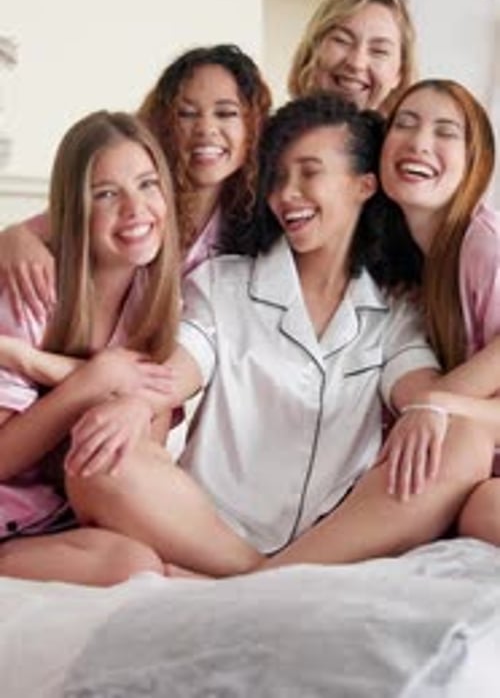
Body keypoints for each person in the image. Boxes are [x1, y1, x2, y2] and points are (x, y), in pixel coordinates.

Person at [58, 95, 491, 572]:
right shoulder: (223, 282)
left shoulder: (394, 309)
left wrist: (437, 408)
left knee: (464, 443)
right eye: (279, 178)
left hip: (337, 534)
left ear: (364, 185)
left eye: (309, 172)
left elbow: (421, 392)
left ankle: (256, 579)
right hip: (208, 527)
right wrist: (137, 404)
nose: (287, 194)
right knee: (95, 456)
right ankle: (262, 578)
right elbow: (180, 368)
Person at [0, 109, 256, 583]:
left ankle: (260, 573)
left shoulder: (152, 302)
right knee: (137, 560)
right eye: (106, 194)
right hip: (10, 519)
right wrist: (90, 385)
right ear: (75, 208)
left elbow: (142, 449)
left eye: (147, 184)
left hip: (64, 516)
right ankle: (265, 578)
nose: (135, 209)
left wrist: (63, 374)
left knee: (143, 563)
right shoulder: (31, 292)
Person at [0, 44, 272, 318]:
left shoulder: (257, 223)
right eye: (187, 114)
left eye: (226, 113)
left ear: (254, 125)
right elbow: (25, 236)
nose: (206, 129)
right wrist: (16, 240)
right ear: (165, 123)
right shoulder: (138, 201)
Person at [379, 77, 500, 544]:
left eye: (446, 132)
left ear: (475, 161)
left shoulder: (483, 247)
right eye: (404, 125)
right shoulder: (406, 267)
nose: (420, 143)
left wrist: (437, 403)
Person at [288, 0, 416, 115]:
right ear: (312, 49)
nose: (356, 63)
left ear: (399, 74)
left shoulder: (410, 136)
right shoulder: (270, 133)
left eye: (379, 51)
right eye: (342, 40)